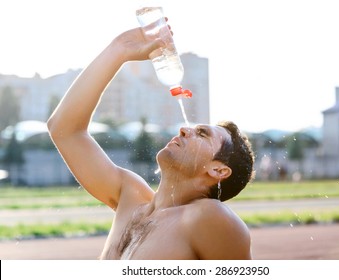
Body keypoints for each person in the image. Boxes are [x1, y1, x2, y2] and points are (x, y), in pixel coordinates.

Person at [47, 24, 255, 260]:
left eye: (203, 134)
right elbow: (64, 130)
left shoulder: (209, 216)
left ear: (218, 170)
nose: (185, 130)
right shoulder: (131, 197)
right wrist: (120, 49)